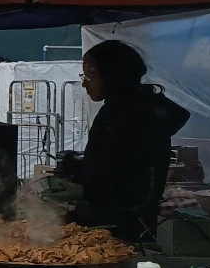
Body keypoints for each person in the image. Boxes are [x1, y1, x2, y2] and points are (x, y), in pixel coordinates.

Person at [58, 40, 189, 242]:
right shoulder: (115, 109)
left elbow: (138, 187)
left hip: (124, 229)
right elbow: (109, 164)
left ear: (114, 76)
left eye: (91, 76)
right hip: (106, 220)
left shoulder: (138, 117)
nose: (84, 83)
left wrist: (84, 191)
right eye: (84, 76)